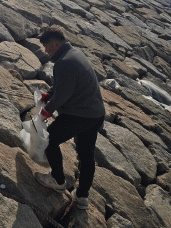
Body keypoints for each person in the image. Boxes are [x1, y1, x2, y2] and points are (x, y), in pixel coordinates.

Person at [34, 27, 105, 211]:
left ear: (56, 44)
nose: (46, 50)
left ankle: (57, 181)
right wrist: (48, 94)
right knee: (86, 156)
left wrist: (45, 112)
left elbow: (63, 95)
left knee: (49, 139)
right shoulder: (74, 53)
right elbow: (64, 86)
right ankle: (82, 197)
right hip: (96, 114)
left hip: (80, 116)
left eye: (47, 46)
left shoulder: (64, 62)